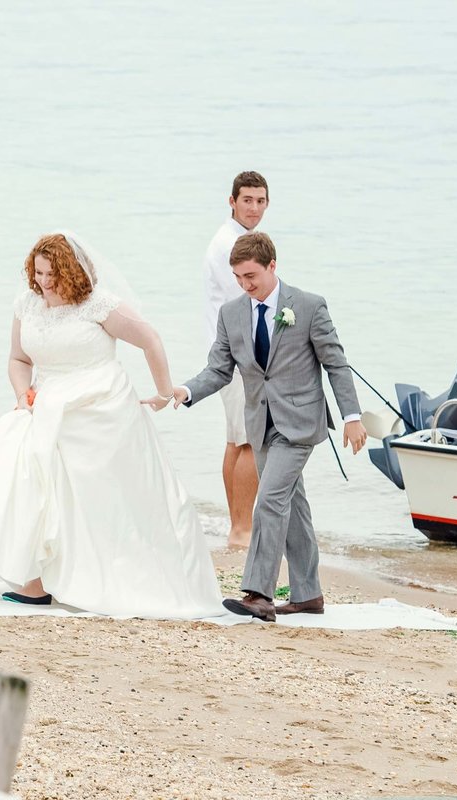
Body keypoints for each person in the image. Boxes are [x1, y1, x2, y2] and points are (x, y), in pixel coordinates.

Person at [0, 232, 224, 619]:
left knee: (99, 501)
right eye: (38, 273)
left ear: (72, 271)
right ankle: (35, 581)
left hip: (99, 406)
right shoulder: (27, 305)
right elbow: (17, 359)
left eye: (52, 274)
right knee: (25, 477)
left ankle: (89, 578)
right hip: (45, 402)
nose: (44, 282)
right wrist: (21, 392)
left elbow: (151, 340)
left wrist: (164, 392)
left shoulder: (99, 306)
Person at [175, 232, 366, 622]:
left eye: (252, 277)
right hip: (260, 424)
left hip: (300, 423)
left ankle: (259, 593)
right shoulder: (231, 314)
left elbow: (336, 363)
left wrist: (352, 417)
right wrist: (185, 391)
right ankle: (308, 594)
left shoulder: (309, 307)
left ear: (272, 266)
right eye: (239, 278)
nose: (246, 285)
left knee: (269, 502)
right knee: (293, 507)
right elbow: (218, 370)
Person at [202, 171, 270, 548]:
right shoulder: (230, 246)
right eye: (247, 200)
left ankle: (237, 527)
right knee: (249, 441)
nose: (254, 208)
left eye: (260, 201)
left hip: (227, 353)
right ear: (232, 201)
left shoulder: (240, 241)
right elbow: (250, 301)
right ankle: (242, 530)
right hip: (238, 355)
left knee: (235, 440)